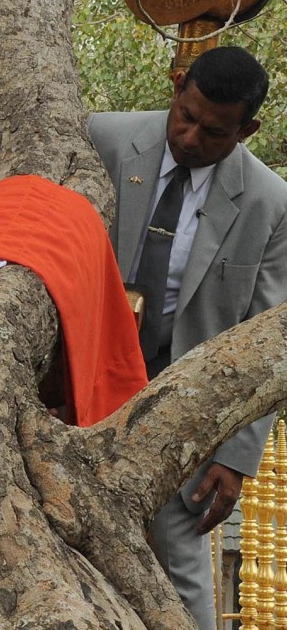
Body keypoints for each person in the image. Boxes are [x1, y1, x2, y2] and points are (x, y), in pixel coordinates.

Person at [89, 45, 287, 629]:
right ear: (178, 86)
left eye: (215, 131)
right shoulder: (101, 138)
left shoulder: (271, 204)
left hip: (185, 421)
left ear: (247, 129)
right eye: (187, 115)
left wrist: (235, 455)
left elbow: (267, 340)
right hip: (82, 391)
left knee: (182, 576)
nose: (192, 137)